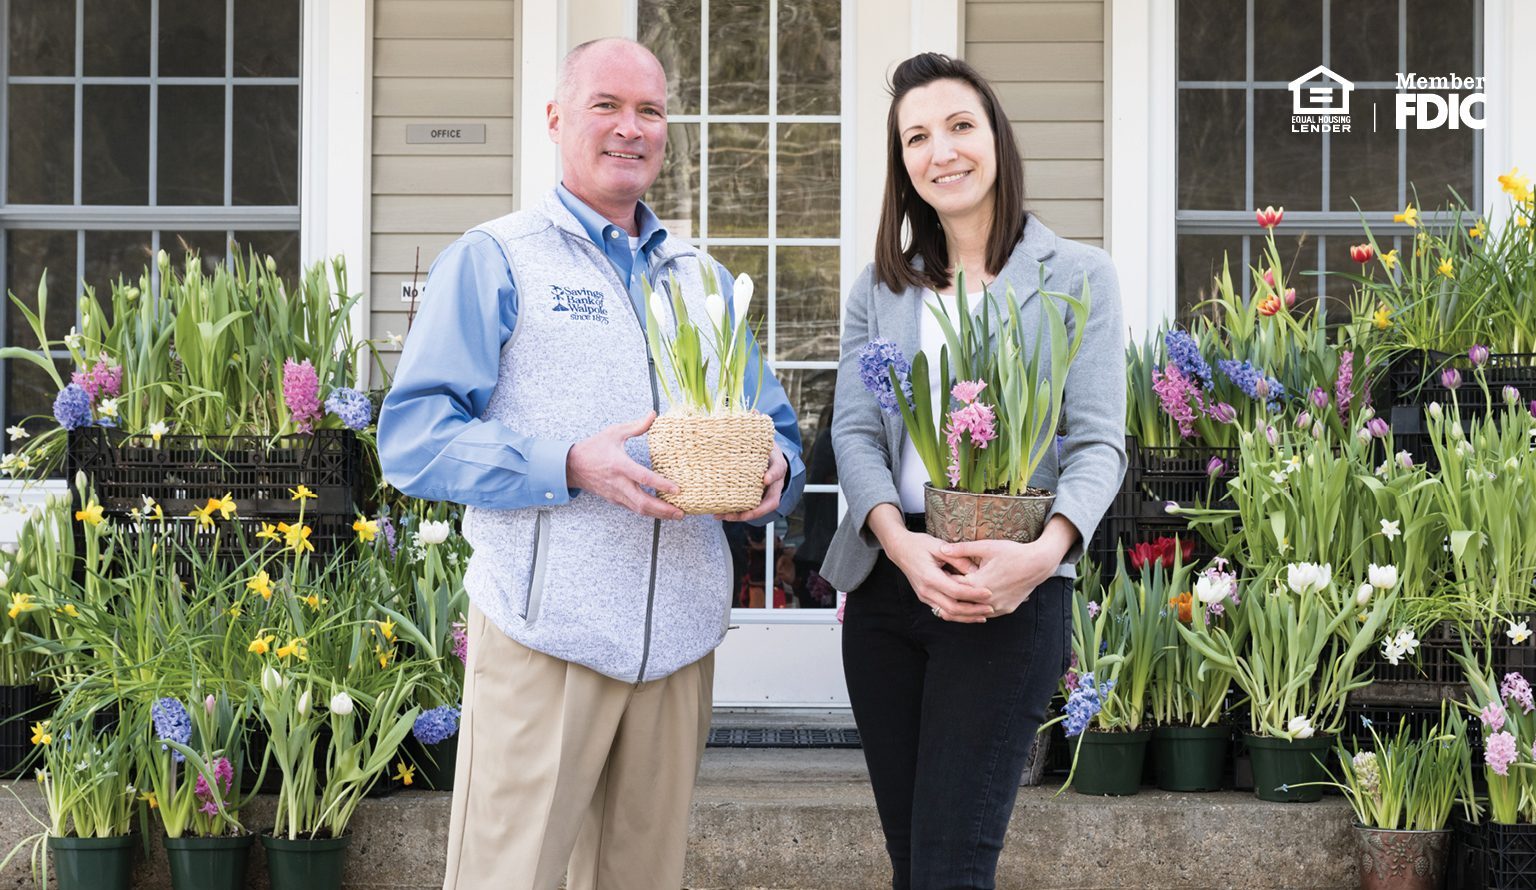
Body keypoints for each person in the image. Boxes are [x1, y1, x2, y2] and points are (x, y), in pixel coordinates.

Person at [376, 37, 805, 890]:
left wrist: (772, 477)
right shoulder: (496, 259)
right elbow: (413, 437)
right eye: (606, 105)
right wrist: (569, 463)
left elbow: (778, 430)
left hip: (677, 648)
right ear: (556, 118)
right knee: (510, 876)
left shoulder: (703, 281)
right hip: (547, 641)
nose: (630, 128)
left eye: (650, 111)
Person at [818, 53, 1126, 889]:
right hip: (889, 587)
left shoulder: (1079, 278)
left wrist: (1045, 553)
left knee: (952, 869)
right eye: (916, 137)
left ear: (996, 139)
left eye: (959, 126)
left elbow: (1099, 443)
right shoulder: (880, 290)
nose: (941, 151)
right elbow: (855, 436)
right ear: (903, 165)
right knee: (913, 864)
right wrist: (903, 547)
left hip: (1009, 585)